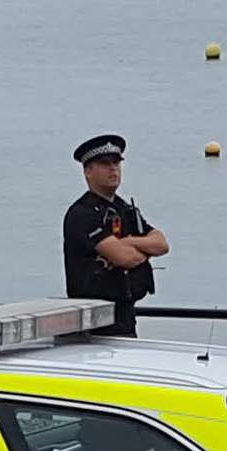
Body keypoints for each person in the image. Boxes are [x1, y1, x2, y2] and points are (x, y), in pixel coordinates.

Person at [63, 134, 169, 337]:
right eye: (105, 164)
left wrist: (129, 241)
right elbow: (125, 258)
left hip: (125, 314)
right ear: (88, 171)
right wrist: (140, 251)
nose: (113, 169)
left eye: (116, 163)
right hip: (93, 322)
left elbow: (161, 244)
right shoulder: (82, 213)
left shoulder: (123, 208)